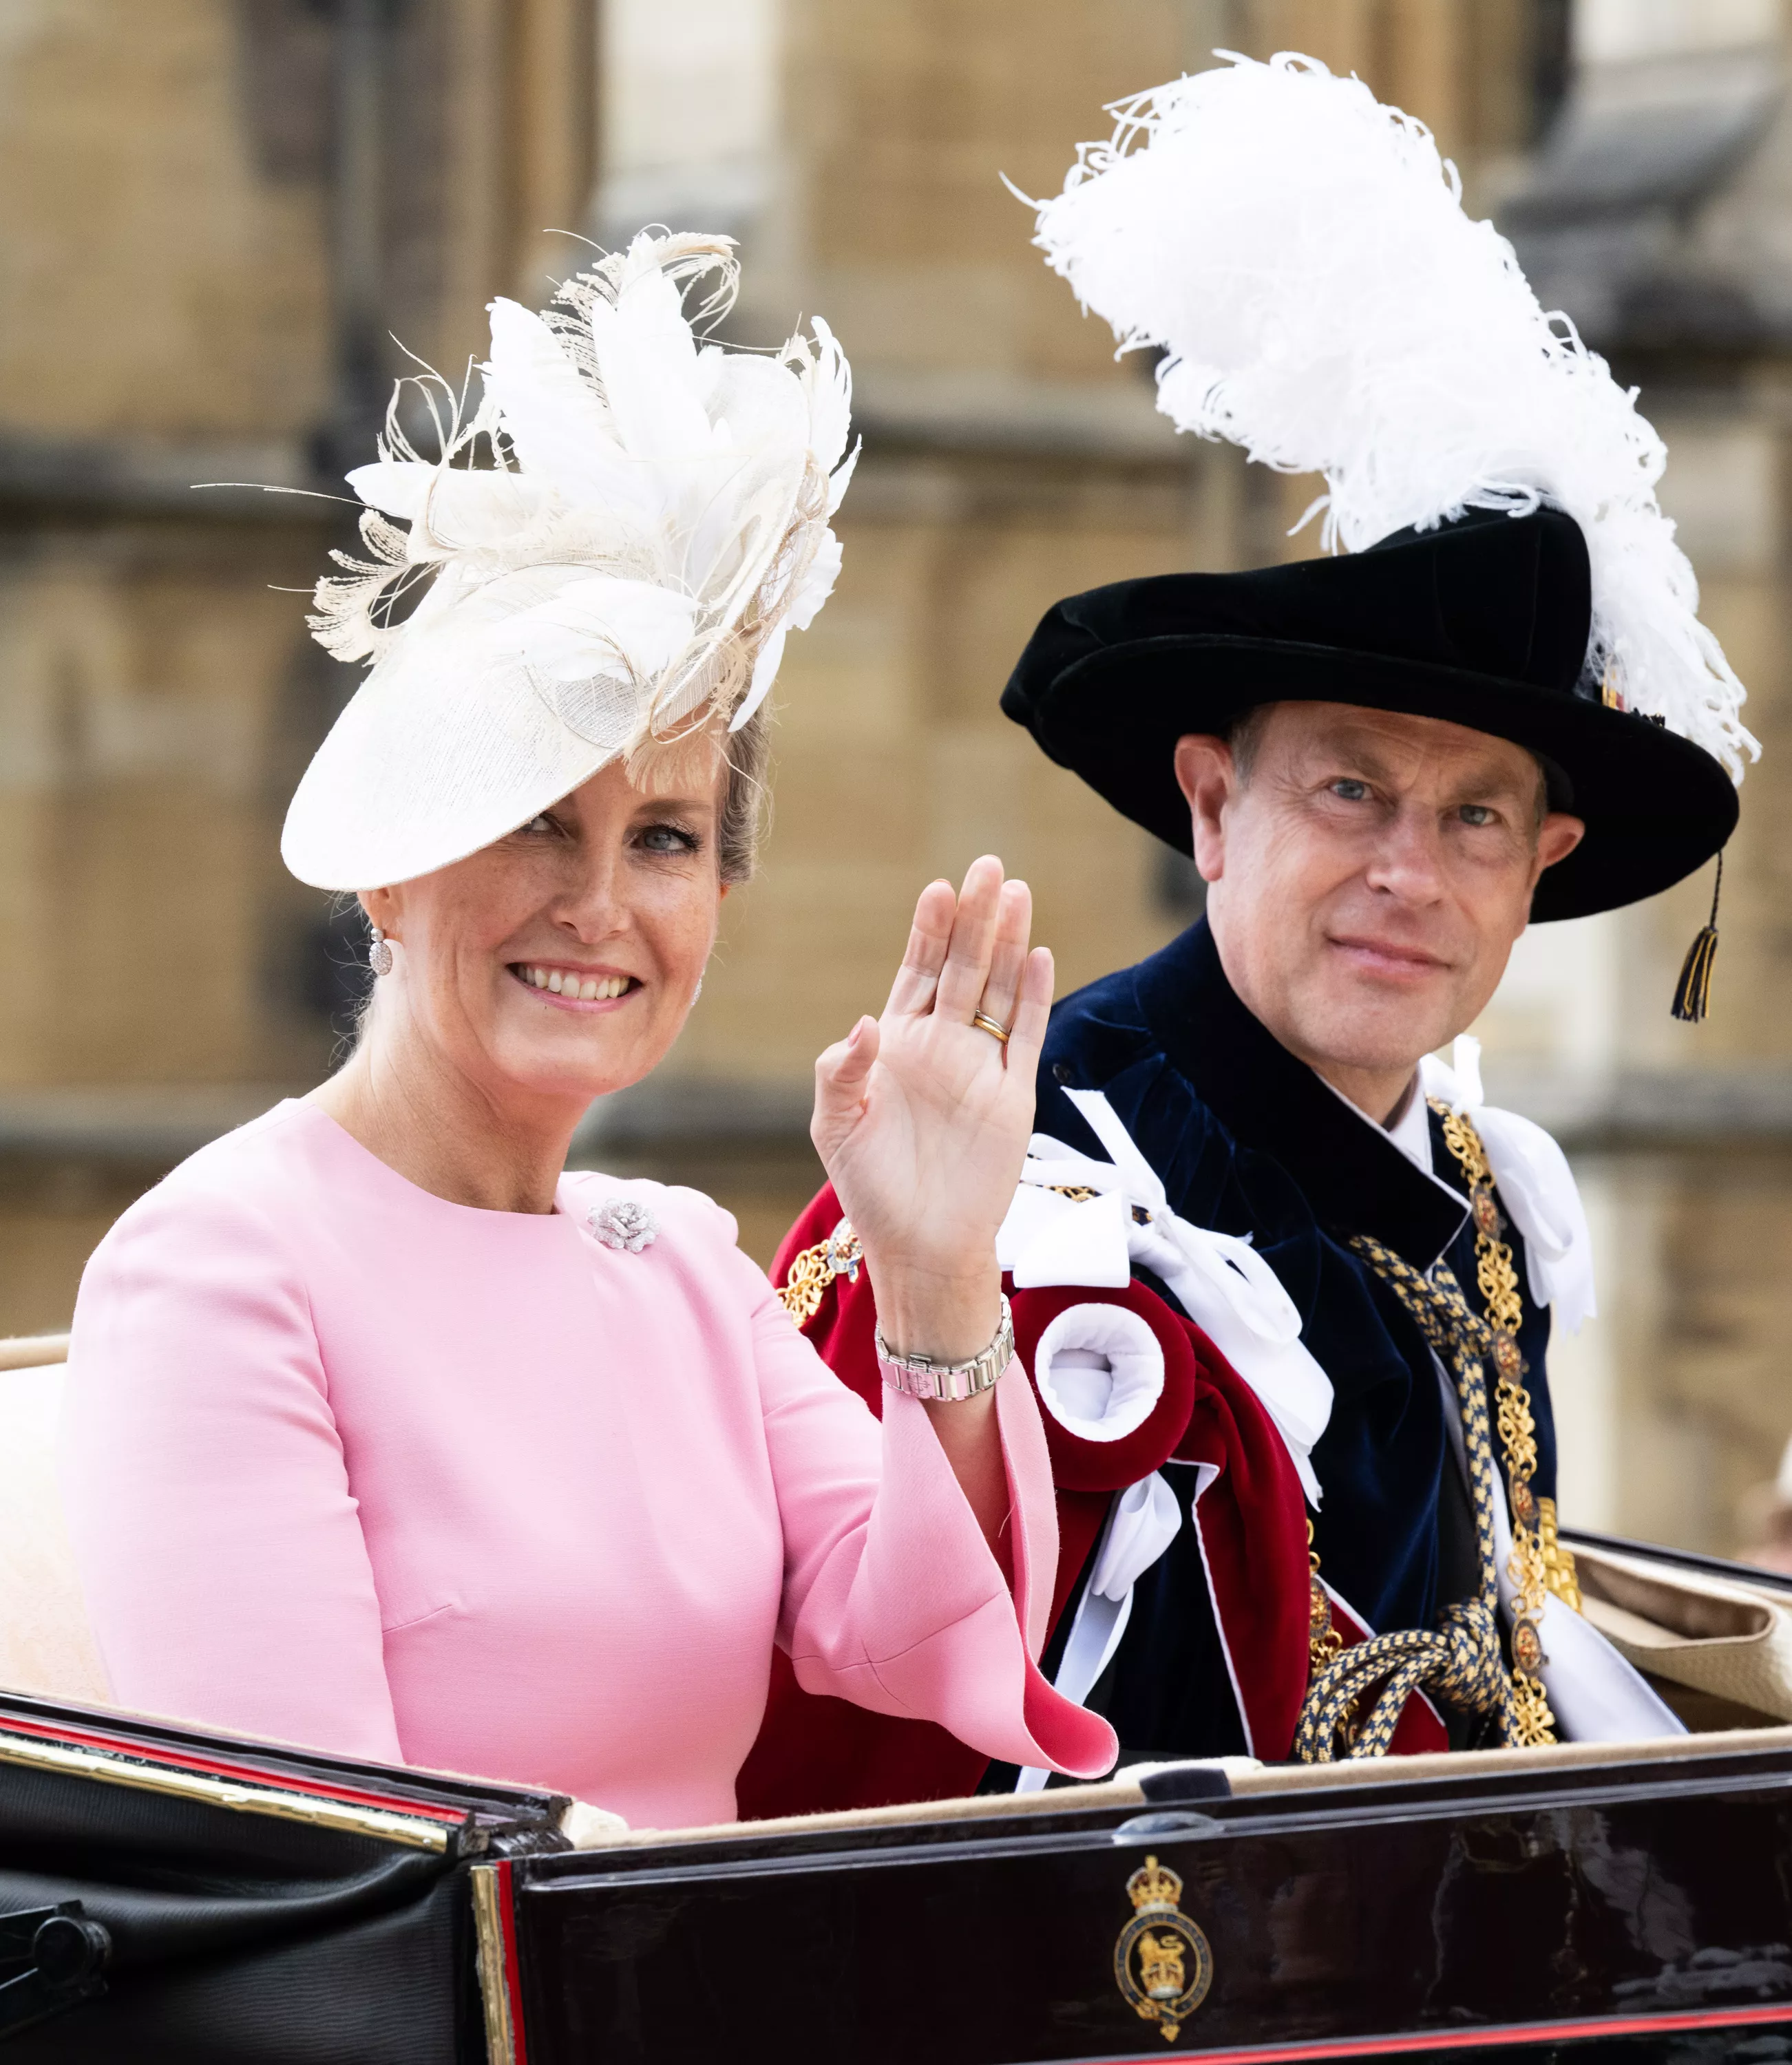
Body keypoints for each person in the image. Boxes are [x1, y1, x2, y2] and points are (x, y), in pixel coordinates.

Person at [738, 55, 1754, 1815]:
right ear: (1210, 808)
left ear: (1542, 864)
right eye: (1347, 792)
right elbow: (861, 1734)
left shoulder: (1477, 1190)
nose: (1408, 876)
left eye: (1472, 819)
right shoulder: (1034, 1154)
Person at [57, 232, 1115, 1830]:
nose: (601, 905)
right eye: (536, 823)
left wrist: (937, 1270)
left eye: (666, 838)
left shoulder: (680, 1260)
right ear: (393, 875)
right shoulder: (215, 1269)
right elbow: (313, 1874)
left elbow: (911, 1640)